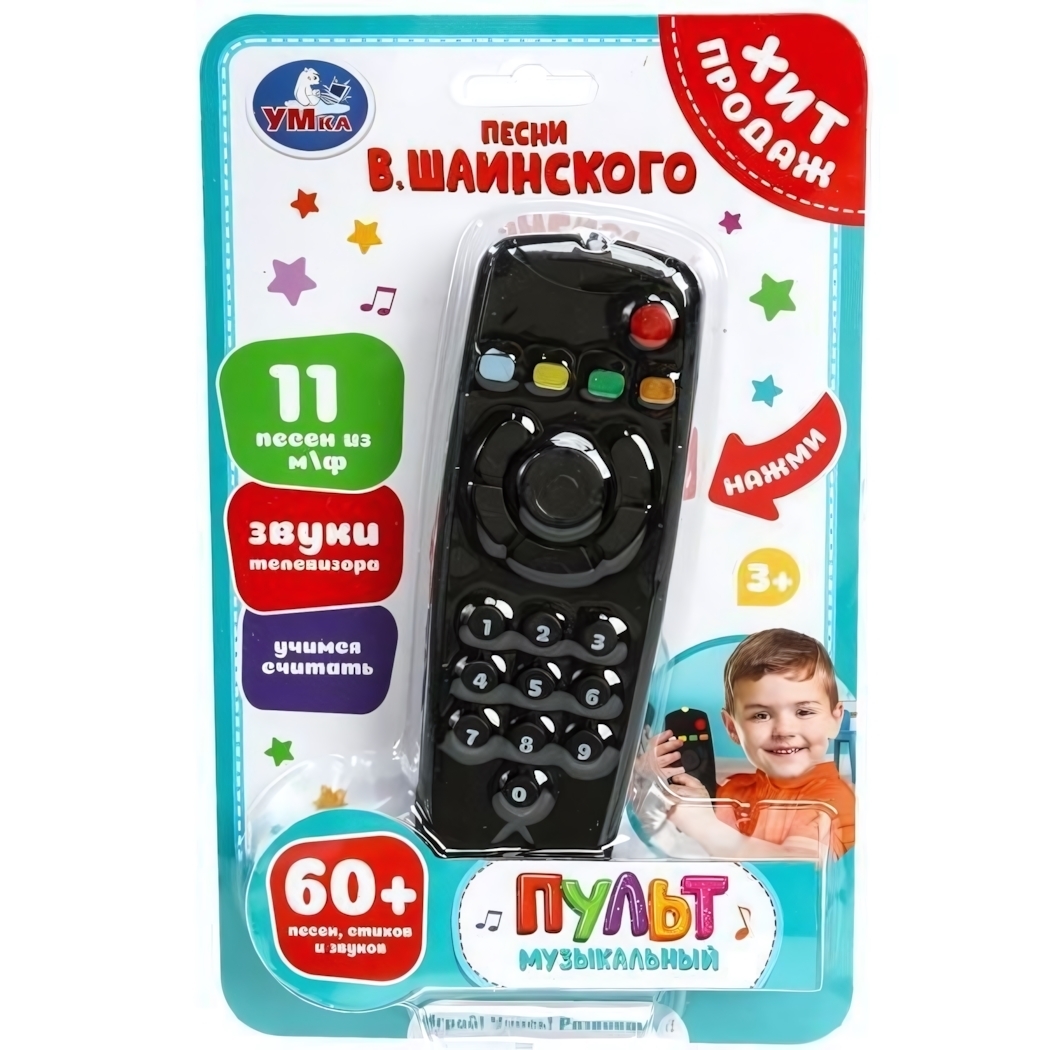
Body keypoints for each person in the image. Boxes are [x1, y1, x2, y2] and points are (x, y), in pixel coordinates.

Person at [643, 629, 855, 860]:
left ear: (835, 720)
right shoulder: (732, 790)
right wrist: (650, 781)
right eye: (761, 715)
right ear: (732, 728)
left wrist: (704, 825)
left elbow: (798, 868)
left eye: (804, 712)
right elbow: (676, 839)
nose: (784, 730)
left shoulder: (834, 797)